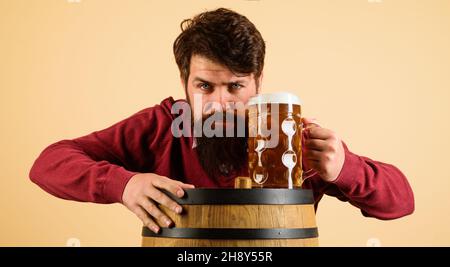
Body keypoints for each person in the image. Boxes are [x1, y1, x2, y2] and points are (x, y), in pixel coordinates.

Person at [29, 8, 414, 234]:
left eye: (235, 86)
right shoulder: (160, 127)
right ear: (183, 82)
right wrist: (123, 184)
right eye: (204, 86)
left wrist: (346, 168)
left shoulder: (290, 137)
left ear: (258, 82)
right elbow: (49, 162)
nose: (219, 103)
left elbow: (401, 201)